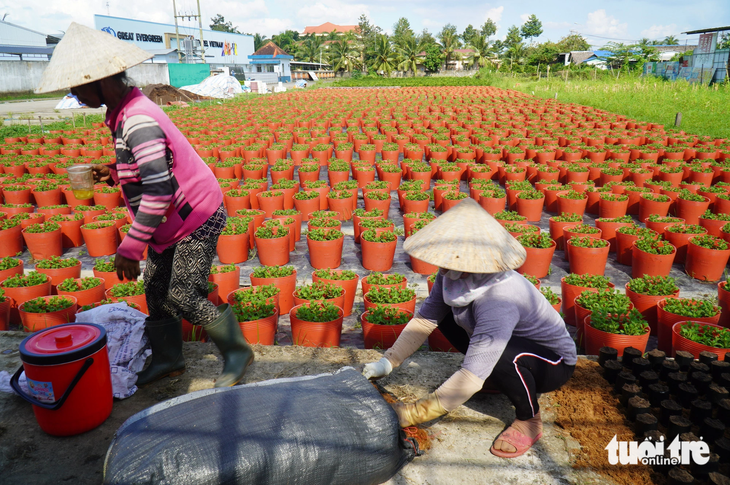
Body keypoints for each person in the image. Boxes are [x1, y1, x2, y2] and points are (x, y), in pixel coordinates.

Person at [36, 23, 254, 388]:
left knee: (183, 293)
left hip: (194, 217)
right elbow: (149, 168)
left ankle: (237, 351)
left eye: (76, 86)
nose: (74, 94)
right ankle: (169, 360)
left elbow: (158, 191)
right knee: (155, 286)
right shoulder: (123, 110)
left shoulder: (137, 119)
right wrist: (117, 171)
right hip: (170, 220)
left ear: (100, 79)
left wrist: (130, 248)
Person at [362, 198, 577, 458]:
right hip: (508, 346)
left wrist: (414, 412)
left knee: (501, 357)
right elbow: (425, 320)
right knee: (447, 318)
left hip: (550, 363)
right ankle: (496, 377)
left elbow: (475, 369)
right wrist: (388, 362)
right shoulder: (452, 274)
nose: (441, 265)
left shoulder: (500, 296)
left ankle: (529, 419)